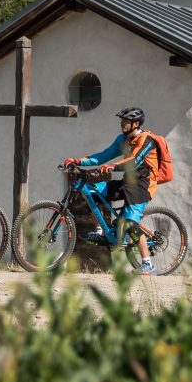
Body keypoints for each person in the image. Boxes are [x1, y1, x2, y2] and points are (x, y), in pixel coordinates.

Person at [62, 106, 160, 275]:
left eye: (126, 121)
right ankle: (100, 230)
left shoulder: (147, 140)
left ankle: (147, 264)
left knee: (130, 224)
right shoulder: (122, 140)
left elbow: (133, 161)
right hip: (126, 182)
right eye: (122, 120)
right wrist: (78, 161)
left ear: (136, 123)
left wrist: (112, 166)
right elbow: (103, 155)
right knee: (92, 192)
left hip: (142, 186)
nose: (122, 123)